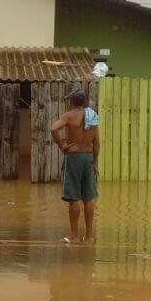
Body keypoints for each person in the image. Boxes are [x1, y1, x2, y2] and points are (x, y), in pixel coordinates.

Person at [51, 88, 99, 243]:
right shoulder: (92, 115)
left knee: (74, 198)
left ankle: (74, 236)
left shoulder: (69, 115)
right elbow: (97, 142)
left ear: (72, 101)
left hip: (74, 157)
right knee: (89, 197)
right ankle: (90, 236)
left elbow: (53, 129)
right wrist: (95, 162)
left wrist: (62, 146)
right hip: (88, 157)